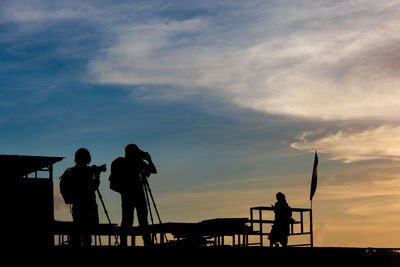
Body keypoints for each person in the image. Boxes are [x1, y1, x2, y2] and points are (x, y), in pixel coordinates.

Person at [109, 144, 157, 247]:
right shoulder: (124, 163)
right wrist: (148, 160)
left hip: (134, 194)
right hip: (131, 194)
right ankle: (143, 243)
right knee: (131, 220)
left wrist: (148, 160)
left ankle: (127, 243)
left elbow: (153, 171)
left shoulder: (136, 163)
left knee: (133, 220)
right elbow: (153, 170)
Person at [60, 148, 100, 247]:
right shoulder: (88, 172)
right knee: (87, 233)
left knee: (77, 230)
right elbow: (93, 187)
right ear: (88, 158)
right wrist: (97, 176)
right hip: (89, 206)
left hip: (77, 206)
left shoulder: (72, 171)